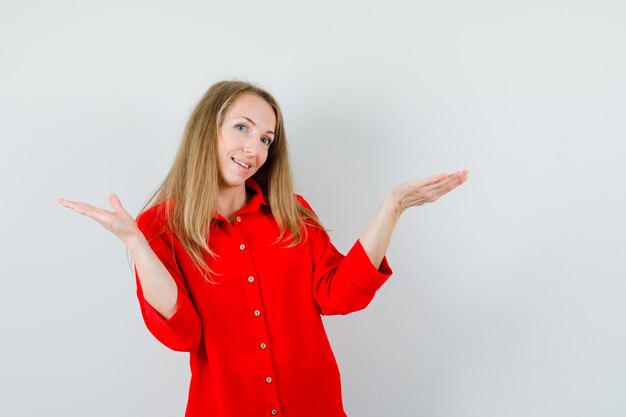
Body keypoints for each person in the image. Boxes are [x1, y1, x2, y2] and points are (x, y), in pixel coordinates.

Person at [58, 80, 468, 417]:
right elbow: (182, 332)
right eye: (242, 128)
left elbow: (339, 294)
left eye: (266, 138)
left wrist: (392, 207)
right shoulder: (160, 227)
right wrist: (136, 243)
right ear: (209, 130)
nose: (255, 149)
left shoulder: (291, 212)